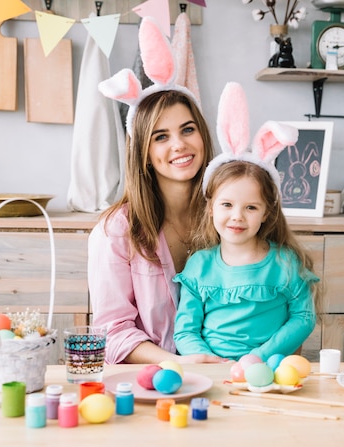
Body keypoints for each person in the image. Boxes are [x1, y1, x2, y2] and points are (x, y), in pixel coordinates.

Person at [88, 17, 224, 365]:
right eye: (161, 137)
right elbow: (113, 332)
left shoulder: (227, 212)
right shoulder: (116, 230)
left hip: (229, 373)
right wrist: (175, 362)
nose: (179, 145)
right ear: (143, 153)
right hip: (150, 385)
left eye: (188, 129)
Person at [173, 82, 320, 361]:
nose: (237, 216)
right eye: (227, 205)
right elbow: (185, 331)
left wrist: (260, 356)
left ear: (266, 212)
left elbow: (303, 318)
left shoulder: (285, 263)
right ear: (211, 207)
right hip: (210, 371)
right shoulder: (199, 266)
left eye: (251, 207)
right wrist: (207, 360)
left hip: (268, 368)